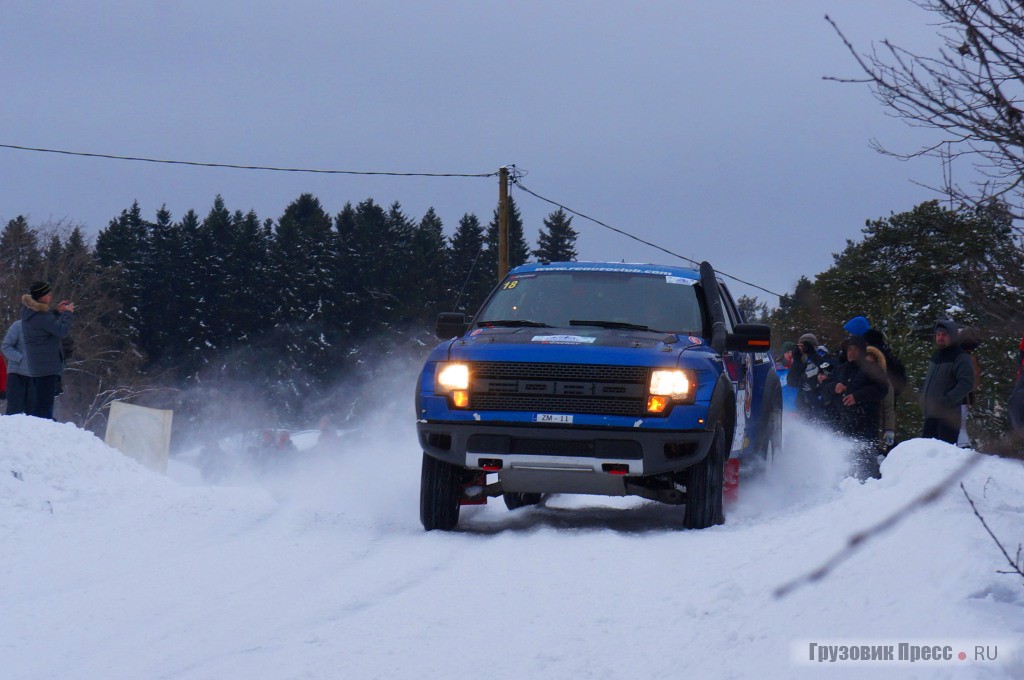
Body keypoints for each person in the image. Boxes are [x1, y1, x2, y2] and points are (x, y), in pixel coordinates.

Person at [823, 335, 889, 479]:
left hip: (866, 423)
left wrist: (857, 396)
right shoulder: (840, 370)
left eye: (855, 349)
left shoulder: (872, 369)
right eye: (849, 349)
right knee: (846, 461)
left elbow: (882, 389)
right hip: (844, 423)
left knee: (867, 462)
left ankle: (870, 489)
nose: (851, 352)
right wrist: (834, 387)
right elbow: (823, 389)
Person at [21, 282, 75, 420]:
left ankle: (42, 427)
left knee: (41, 401)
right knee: (44, 405)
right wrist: (68, 314)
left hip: (37, 366)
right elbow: (62, 331)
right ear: (41, 296)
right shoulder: (42, 316)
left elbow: (46, 322)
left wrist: (56, 312)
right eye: (48, 294)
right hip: (47, 366)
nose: (51, 296)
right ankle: (40, 431)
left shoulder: (29, 312)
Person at [920, 319, 974, 444]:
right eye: (938, 334)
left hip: (948, 417)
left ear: (953, 336)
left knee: (944, 456)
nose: (940, 337)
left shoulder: (960, 357)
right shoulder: (936, 356)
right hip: (931, 414)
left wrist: (946, 401)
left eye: (944, 334)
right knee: (926, 455)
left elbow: (966, 383)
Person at [786, 333, 829, 421]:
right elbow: (791, 382)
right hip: (804, 406)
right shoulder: (803, 362)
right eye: (800, 346)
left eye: (805, 346)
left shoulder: (824, 357)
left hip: (822, 406)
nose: (802, 349)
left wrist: (812, 354)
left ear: (813, 346)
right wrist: (796, 361)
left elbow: (829, 370)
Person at [866, 345, 896, 451]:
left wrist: (889, 429)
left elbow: (888, 408)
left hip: (877, 428)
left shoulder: (884, 382)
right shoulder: (855, 380)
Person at [2, 320, 30, 415]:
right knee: (14, 412)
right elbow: (5, 346)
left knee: (35, 415)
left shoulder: (44, 326)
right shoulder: (18, 326)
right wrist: (20, 358)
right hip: (17, 374)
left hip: (37, 375)